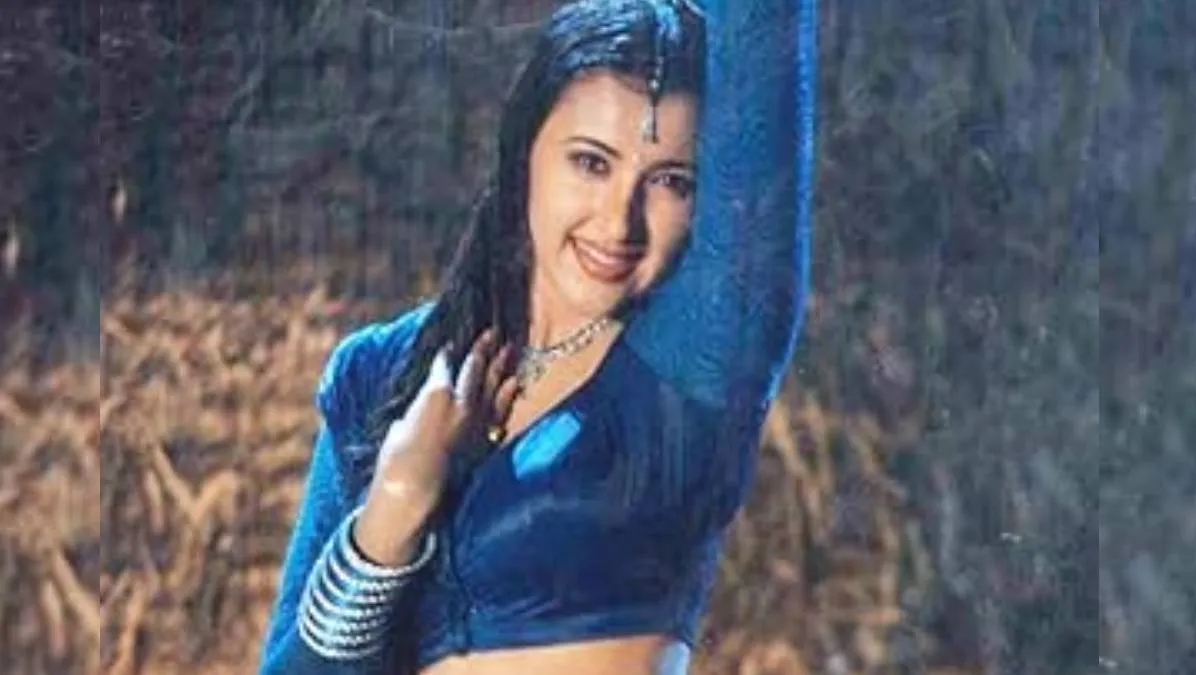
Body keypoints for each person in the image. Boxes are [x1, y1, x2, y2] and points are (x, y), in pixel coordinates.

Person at [258, 0, 816, 673]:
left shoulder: (690, 372)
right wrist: (390, 513)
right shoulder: (380, 371)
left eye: (671, 181)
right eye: (591, 162)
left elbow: (761, 34)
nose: (619, 222)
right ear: (524, 154)